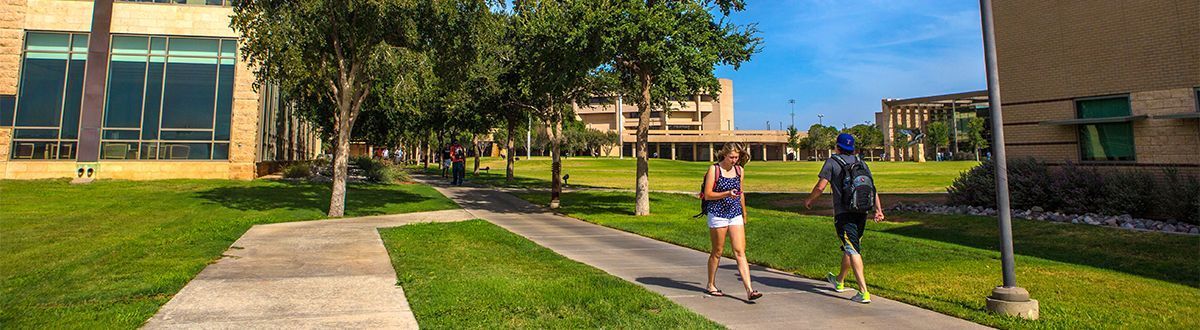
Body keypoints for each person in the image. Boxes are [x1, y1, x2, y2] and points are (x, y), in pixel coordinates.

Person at [803, 133, 885, 304]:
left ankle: (863, 291)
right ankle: (839, 280)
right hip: (862, 211)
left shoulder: (832, 162)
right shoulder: (861, 163)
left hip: (844, 213)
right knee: (850, 246)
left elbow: (821, 186)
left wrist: (810, 200)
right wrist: (878, 210)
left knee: (853, 249)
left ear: (837, 147)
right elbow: (872, 188)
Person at [701, 142, 763, 301]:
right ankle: (711, 284)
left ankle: (749, 290)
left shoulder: (739, 170)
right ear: (724, 155)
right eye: (731, 157)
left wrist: (744, 212)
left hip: (734, 213)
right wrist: (727, 193)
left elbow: (741, 193)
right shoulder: (714, 170)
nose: (734, 160)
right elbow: (708, 194)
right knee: (717, 251)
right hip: (717, 214)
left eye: (736, 157)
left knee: (740, 251)